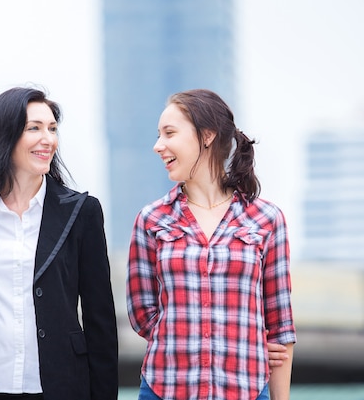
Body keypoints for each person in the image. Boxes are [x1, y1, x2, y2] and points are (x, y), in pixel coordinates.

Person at [0, 87, 118, 400]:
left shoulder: (82, 213)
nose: (47, 139)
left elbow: (100, 321)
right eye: (33, 128)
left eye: (52, 128)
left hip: (57, 388)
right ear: (5, 136)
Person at [126, 88, 296, 400]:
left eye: (169, 133)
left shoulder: (266, 219)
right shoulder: (151, 220)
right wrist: (190, 336)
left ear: (206, 136)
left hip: (245, 388)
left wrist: (249, 341)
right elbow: (142, 312)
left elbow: (280, 325)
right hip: (165, 389)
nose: (158, 146)